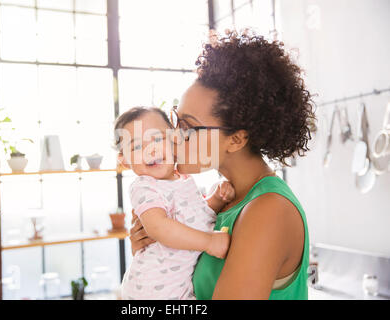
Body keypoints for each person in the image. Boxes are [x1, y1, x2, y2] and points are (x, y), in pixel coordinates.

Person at [129, 30, 316, 300]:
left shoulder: (268, 210)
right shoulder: (221, 200)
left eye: (187, 127)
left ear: (236, 139)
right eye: (174, 121)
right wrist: (153, 258)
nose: (172, 137)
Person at [114, 106, 234, 300]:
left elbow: (194, 216)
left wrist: (216, 199)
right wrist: (209, 242)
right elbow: (159, 227)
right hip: (151, 290)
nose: (150, 150)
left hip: (178, 287)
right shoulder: (144, 187)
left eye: (158, 139)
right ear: (125, 161)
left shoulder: (184, 180)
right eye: (137, 146)